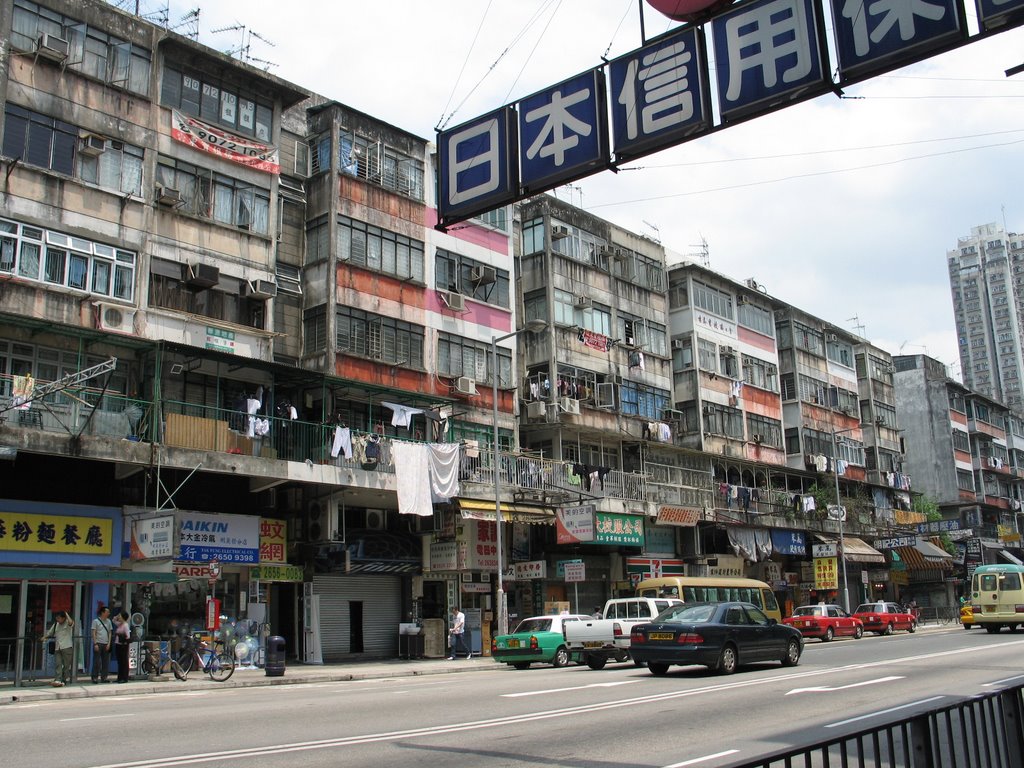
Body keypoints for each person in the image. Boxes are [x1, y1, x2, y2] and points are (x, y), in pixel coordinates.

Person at [45, 610, 75, 687]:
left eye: (59, 618)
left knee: (66, 665)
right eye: (57, 618)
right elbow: (50, 632)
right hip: (58, 647)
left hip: (67, 647)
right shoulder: (56, 624)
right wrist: (44, 637)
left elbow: (71, 622)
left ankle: (64, 679)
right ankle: (58, 679)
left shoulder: (68, 624)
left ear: (64, 618)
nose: (58, 620)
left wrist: (66, 614)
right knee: (58, 664)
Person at [91, 606, 113, 683]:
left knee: (105, 662)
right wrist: (95, 643)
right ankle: (94, 677)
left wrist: (109, 643)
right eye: (107, 612)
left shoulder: (109, 621)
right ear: (102, 612)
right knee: (97, 661)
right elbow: (93, 632)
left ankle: (104, 677)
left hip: (106, 643)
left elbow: (110, 633)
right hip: (98, 643)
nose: (108, 613)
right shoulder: (96, 621)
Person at [113, 611, 131, 683]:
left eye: (120, 616)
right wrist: (117, 616)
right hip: (118, 644)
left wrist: (121, 635)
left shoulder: (125, 625)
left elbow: (128, 636)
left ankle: (124, 678)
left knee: (124, 662)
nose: (119, 617)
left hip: (123, 645)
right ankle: (119, 677)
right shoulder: (120, 624)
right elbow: (114, 620)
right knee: (120, 662)